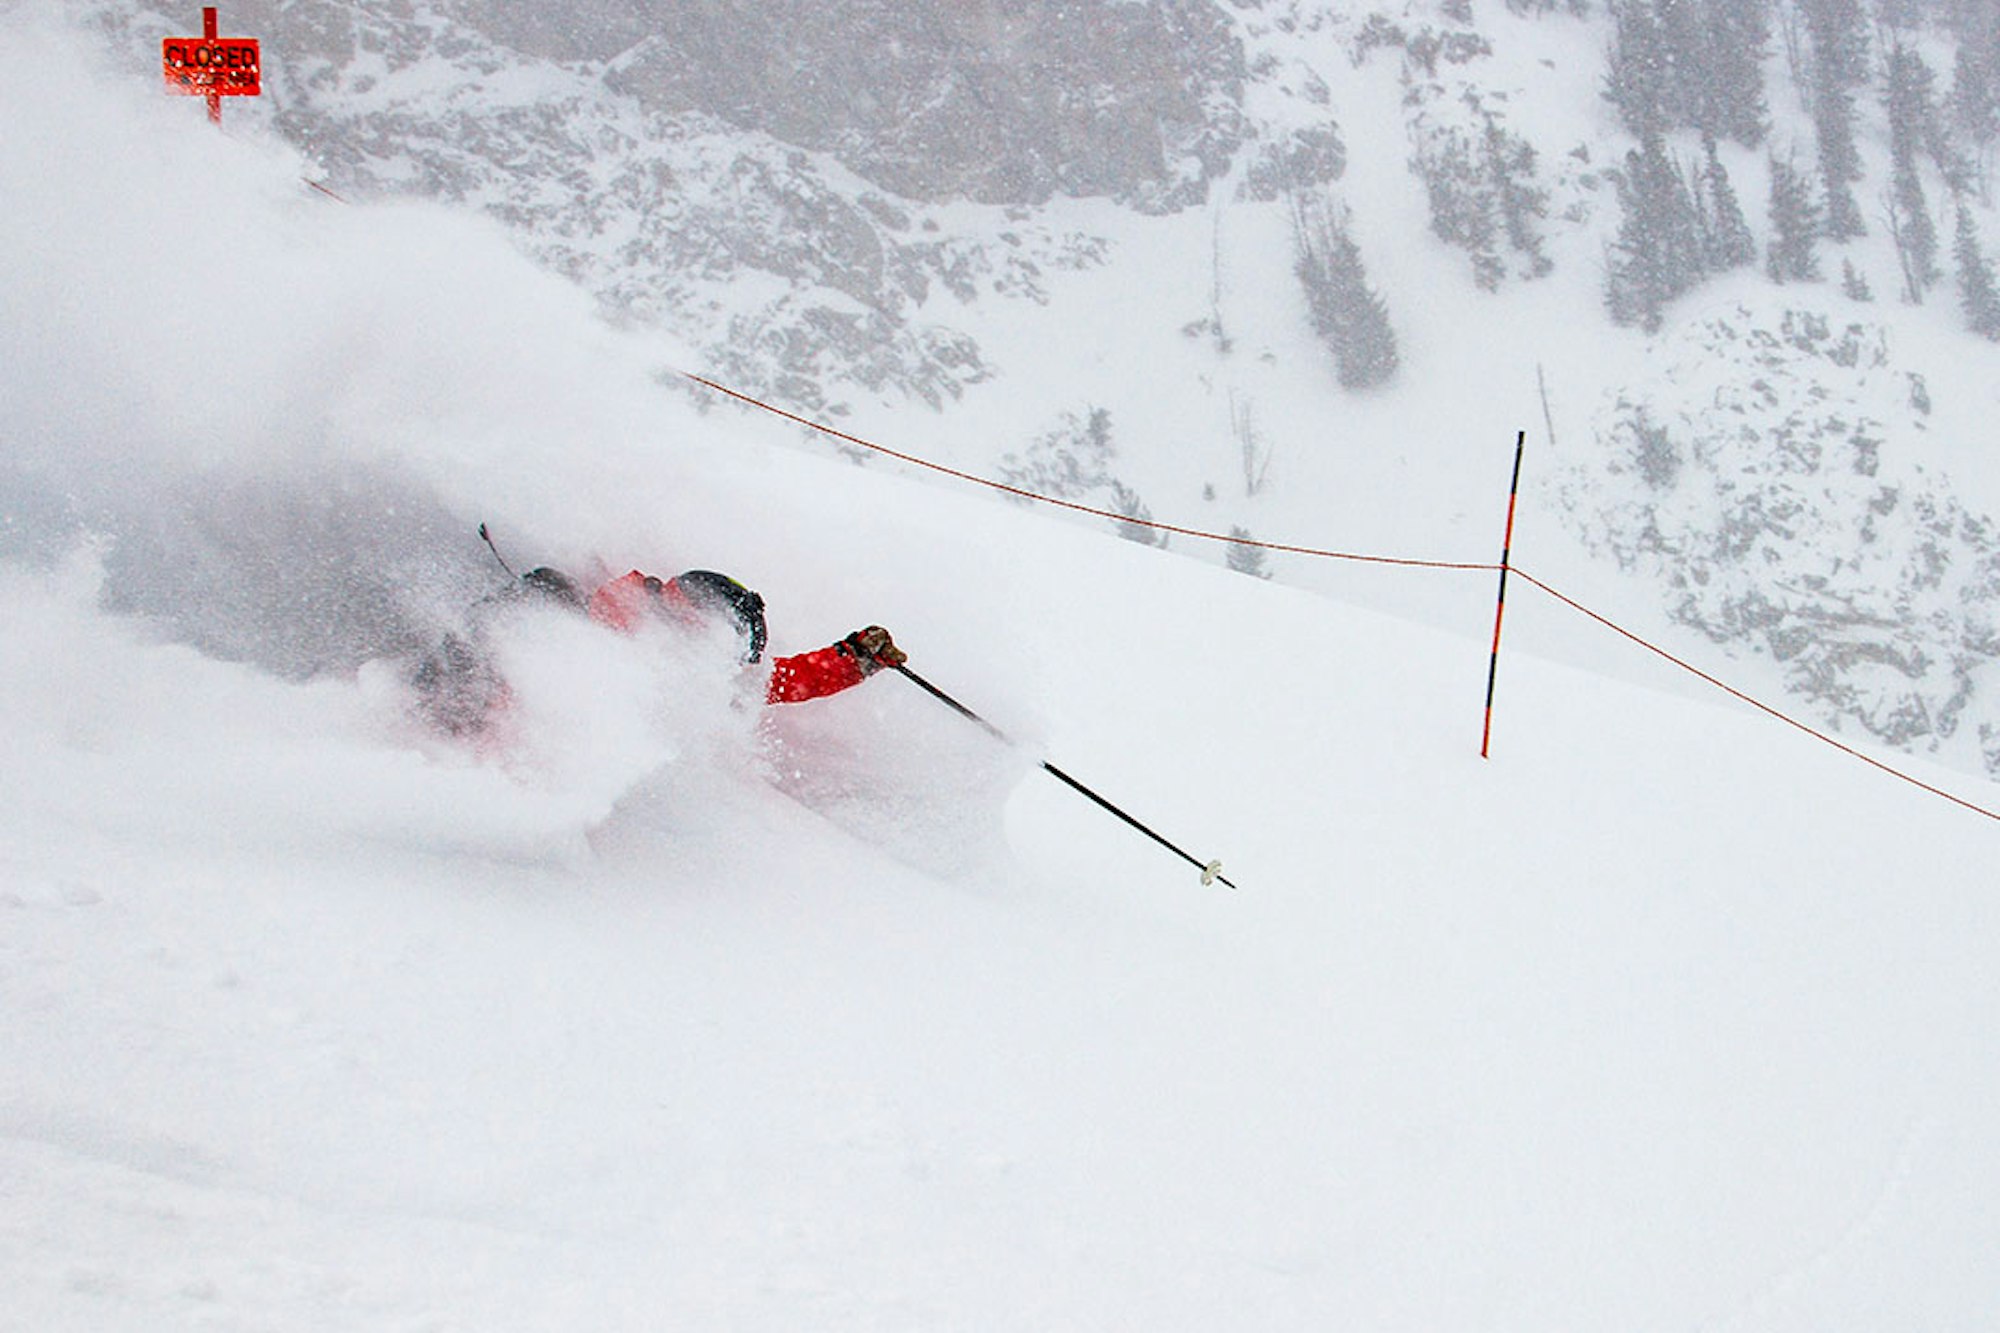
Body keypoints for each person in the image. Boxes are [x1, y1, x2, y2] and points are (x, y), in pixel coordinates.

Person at [410, 563, 904, 736]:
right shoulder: (609, 622)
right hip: (462, 720)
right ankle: (433, 706)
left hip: (524, 743)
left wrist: (855, 657)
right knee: (544, 588)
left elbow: (788, 679)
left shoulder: (705, 675)